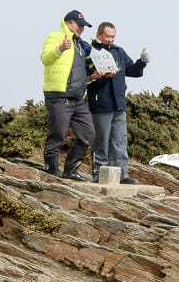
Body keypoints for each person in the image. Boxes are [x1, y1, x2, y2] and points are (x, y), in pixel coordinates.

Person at [86, 21, 150, 185]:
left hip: (119, 104)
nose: (110, 39)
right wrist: (98, 76)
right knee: (101, 140)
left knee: (120, 140)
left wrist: (142, 62)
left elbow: (132, 71)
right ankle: (98, 173)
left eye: (113, 36)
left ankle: (122, 174)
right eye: (108, 36)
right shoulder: (90, 51)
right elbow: (85, 76)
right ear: (99, 34)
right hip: (101, 104)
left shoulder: (118, 51)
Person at [40, 10, 98, 181]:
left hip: (77, 97)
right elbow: (45, 58)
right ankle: (51, 171)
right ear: (68, 23)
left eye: (84, 26)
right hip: (58, 95)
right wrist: (60, 49)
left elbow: (77, 73)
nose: (82, 28)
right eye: (79, 25)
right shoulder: (55, 37)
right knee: (57, 134)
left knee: (88, 133)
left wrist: (91, 78)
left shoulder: (81, 45)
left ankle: (70, 170)